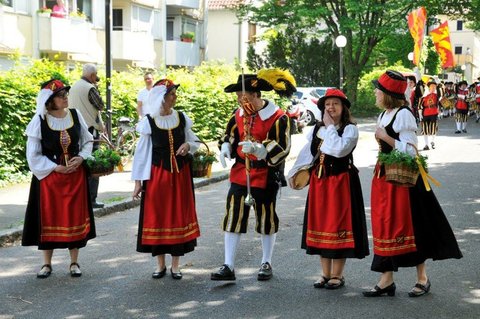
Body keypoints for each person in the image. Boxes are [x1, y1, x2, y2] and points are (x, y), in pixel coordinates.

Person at [363, 70, 462, 298]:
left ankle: (422, 278)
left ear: (388, 93)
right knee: (384, 225)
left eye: (378, 89)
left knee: (414, 226)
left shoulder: (404, 115)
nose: (375, 92)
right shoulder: (385, 114)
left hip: (404, 180)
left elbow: (409, 150)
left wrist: (384, 137)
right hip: (384, 177)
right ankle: (386, 279)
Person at [210, 69, 296, 281]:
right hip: (240, 173)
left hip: (266, 175)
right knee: (233, 216)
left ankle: (266, 262)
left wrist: (260, 149)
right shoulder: (238, 114)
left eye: (243, 94)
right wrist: (225, 148)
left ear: (256, 94)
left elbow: (283, 146)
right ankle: (228, 265)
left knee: (266, 219)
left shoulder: (278, 117)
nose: (240, 98)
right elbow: (229, 135)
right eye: (238, 94)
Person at [287, 88, 369, 289]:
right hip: (320, 183)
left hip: (341, 183)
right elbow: (307, 154)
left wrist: (331, 127)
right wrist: (294, 173)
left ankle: (337, 275)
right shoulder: (316, 129)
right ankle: (325, 273)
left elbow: (339, 150)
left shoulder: (350, 129)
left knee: (338, 225)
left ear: (343, 108)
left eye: (335, 104)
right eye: (327, 104)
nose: (331, 108)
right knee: (321, 225)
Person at [22, 79, 96, 278]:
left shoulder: (75, 114)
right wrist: (55, 167)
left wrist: (81, 157)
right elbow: (33, 154)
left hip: (74, 176)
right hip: (50, 179)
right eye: (61, 96)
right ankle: (46, 264)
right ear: (49, 100)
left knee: (74, 217)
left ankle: (74, 262)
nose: (65, 99)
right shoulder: (39, 121)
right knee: (49, 218)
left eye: (65, 95)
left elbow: (87, 141)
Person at [132, 79, 201, 280]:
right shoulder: (149, 122)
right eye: (171, 94)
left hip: (180, 176)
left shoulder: (181, 117)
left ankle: (176, 265)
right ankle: (160, 264)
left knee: (179, 216)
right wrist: (138, 183)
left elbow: (193, 140)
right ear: (162, 98)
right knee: (158, 217)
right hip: (157, 177)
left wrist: (188, 146)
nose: (175, 97)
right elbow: (141, 154)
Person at [69, 64, 105, 208]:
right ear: (92, 76)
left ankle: (80, 198)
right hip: (90, 129)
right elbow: (100, 105)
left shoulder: (73, 87)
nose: (96, 79)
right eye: (96, 76)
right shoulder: (90, 88)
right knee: (93, 165)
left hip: (75, 128)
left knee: (79, 164)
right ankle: (91, 199)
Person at [418, 79, 440, 150]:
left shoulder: (436, 96)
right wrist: (420, 115)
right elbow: (419, 106)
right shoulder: (423, 97)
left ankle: (432, 142)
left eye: (434, 87)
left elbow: (439, 103)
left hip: (434, 113)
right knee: (425, 129)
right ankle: (426, 144)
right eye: (432, 87)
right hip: (425, 113)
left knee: (433, 128)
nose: (433, 88)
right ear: (429, 87)